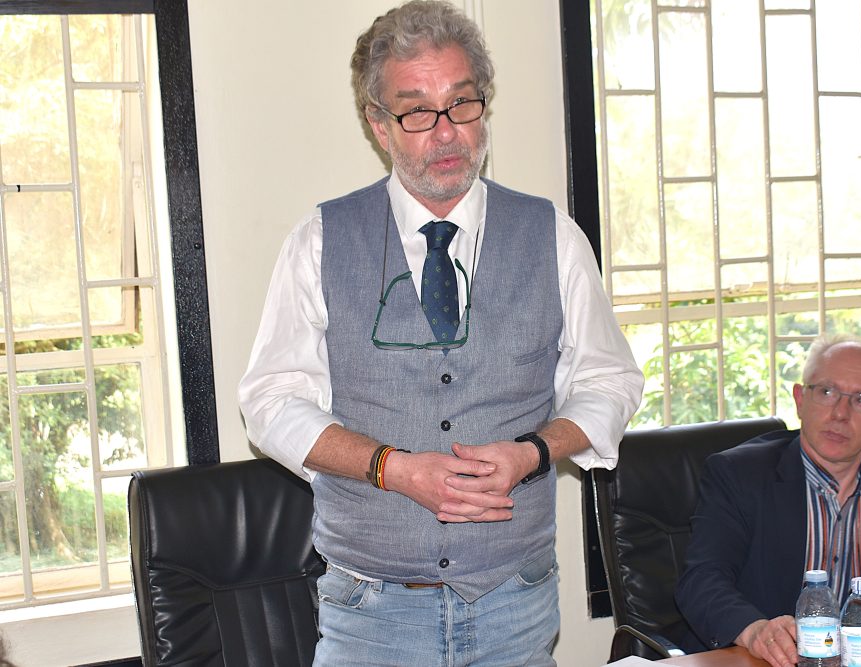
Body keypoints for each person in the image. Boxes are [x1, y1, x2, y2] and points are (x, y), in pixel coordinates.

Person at [237, 1, 643, 665]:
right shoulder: (319, 241)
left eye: (461, 103)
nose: (447, 132)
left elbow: (609, 381)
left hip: (515, 600)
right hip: (369, 612)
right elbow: (271, 401)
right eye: (417, 112)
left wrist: (532, 453)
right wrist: (391, 468)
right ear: (378, 124)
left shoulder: (553, 237)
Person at [675, 334, 861, 667]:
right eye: (826, 392)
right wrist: (754, 631)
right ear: (800, 400)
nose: (840, 413)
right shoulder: (738, 474)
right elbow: (701, 581)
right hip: (763, 659)